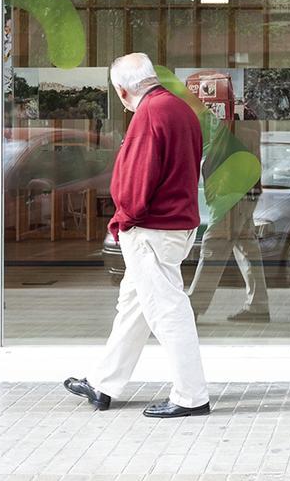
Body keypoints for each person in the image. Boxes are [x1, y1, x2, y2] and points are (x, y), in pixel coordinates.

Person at [64, 53, 211, 418]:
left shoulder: (148, 115)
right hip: (173, 225)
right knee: (134, 307)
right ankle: (103, 383)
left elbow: (136, 182)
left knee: (168, 312)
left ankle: (191, 396)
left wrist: (122, 219)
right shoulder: (179, 109)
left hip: (152, 230)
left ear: (122, 90)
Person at [191, 117, 271, 323]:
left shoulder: (231, 119)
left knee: (213, 247)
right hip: (242, 191)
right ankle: (258, 305)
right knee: (247, 248)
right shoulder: (242, 116)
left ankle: (192, 307)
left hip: (231, 193)